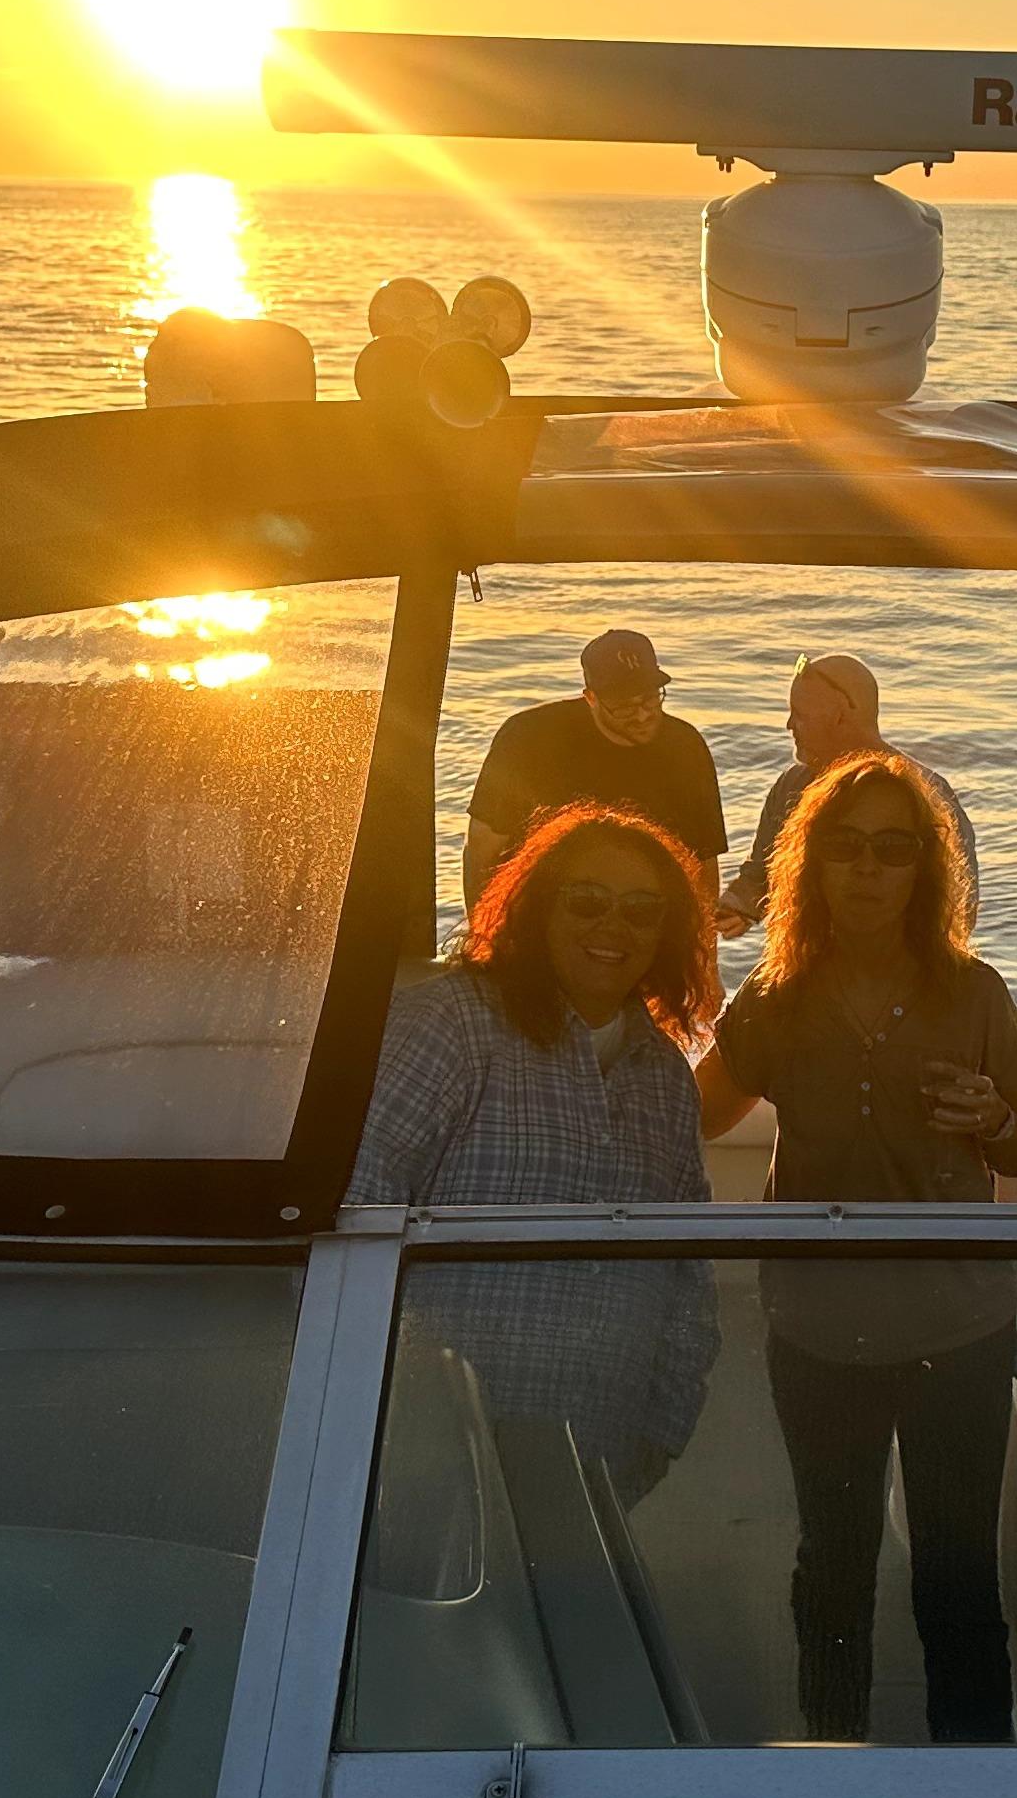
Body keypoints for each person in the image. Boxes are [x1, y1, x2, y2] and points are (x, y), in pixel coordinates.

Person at [696, 754, 1017, 1742]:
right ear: (810, 864)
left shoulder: (976, 992)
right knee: (835, 1570)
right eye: (845, 848)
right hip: (819, 1329)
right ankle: (832, 1776)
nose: (867, 870)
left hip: (960, 1328)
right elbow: (698, 1111)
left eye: (894, 850)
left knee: (956, 1578)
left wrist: (991, 1117)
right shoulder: (777, 998)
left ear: (924, 870)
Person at [355, 805, 720, 1479]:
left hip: (596, 1461)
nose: (613, 926)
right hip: (426, 1451)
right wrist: (369, 1416)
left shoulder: (665, 1077)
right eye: (586, 902)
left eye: (642, 910)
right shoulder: (452, 1025)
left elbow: (687, 1275)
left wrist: (659, 1437)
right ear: (536, 910)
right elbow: (357, 1208)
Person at [462, 629, 728, 927]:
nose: (642, 715)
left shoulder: (685, 747)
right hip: (542, 913)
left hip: (643, 915)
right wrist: (481, 934)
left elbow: (703, 861)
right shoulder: (527, 740)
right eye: (625, 706)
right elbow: (484, 845)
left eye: (651, 699)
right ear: (590, 698)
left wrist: (703, 954)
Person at [720, 653, 976, 936]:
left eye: (800, 714)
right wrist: (736, 906)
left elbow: (960, 907)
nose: (789, 725)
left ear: (839, 717)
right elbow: (760, 876)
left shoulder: (926, 794)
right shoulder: (791, 788)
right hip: (806, 962)